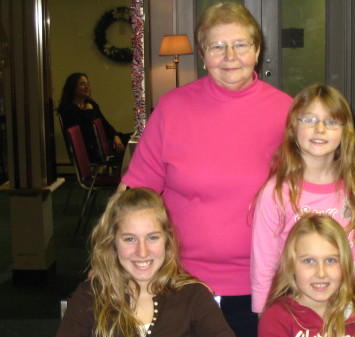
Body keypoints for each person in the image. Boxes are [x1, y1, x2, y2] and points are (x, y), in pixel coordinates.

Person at [118, 2, 293, 337]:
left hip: (265, 285)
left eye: (240, 44)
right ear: (202, 54)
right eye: (217, 46)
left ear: (257, 50)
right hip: (180, 282)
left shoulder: (287, 112)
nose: (230, 55)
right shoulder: (172, 109)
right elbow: (134, 195)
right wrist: (118, 262)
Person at [251, 84, 355, 337]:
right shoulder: (276, 192)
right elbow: (265, 264)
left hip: (348, 302)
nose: (320, 129)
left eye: (331, 122)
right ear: (293, 127)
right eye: (309, 119)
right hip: (296, 309)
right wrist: (265, 317)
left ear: (345, 131)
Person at [56, 187, 236, 337]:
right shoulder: (91, 296)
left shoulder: (193, 296)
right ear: (112, 243)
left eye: (152, 238)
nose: (142, 252)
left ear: (166, 240)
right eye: (129, 239)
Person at [258, 214, 355, 337]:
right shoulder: (276, 319)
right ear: (291, 266)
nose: (321, 273)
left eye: (330, 260)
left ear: (344, 265)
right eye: (309, 261)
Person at [58, 72, 129, 162]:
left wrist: (115, 136)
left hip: (105, 142)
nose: (87, 87)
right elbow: (86, 134)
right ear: (73, 88)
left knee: (138, 138)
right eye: (82, 84)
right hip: (93, 149)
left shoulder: (91, 104)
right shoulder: (68, 110)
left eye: (88, 84)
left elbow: (104, 124)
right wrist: (88, 112)